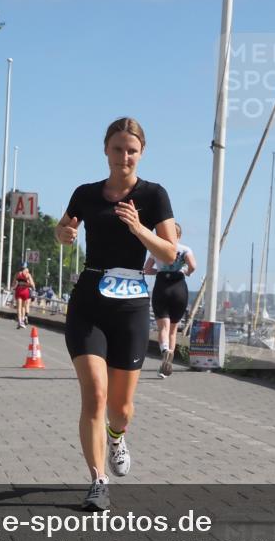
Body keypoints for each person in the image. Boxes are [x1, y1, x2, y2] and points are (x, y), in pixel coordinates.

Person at [54, 117, 177, 512]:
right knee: (95, 394)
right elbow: (64, 227)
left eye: (131, 150)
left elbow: (170, 254)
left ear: (141, 154)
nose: (124, 156)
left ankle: (117, 436)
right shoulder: (86, 193)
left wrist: (139, 229)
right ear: (105, 150)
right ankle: (97, 480)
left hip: (130, 304)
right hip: (89, 299)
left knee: (120, 408)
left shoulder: (155, 195)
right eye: (117, 148)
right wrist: (65, 233)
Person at [143, 223, 197, 378]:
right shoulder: (185, 249)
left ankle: (165, 350)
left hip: (162, 287)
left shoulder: (156, 249)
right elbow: (193, 266)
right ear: (179, 235)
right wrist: (186, 272)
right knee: (173, 330)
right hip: (179, 288)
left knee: (163, 329)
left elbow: (146, 270)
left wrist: (159, 270)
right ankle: (167, 367)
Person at [12, 264, 35, 328]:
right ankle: (23, 319)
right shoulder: (28, 274)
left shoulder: (17, 274)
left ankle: (20, 321)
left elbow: (13, 284)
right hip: (25, 291)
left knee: (18, 307)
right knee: (23, 307)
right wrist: (29, 285)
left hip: (19, 291)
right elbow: (32, 284)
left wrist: (15, 286)